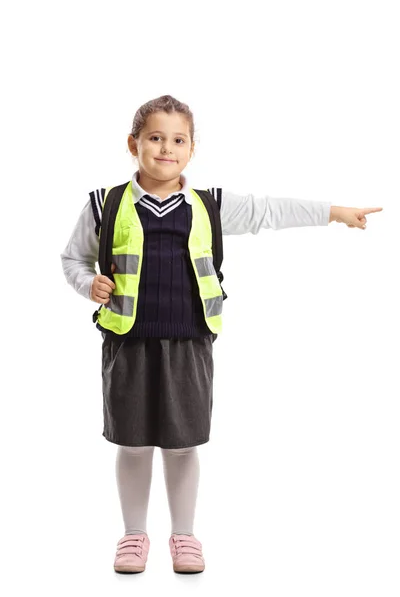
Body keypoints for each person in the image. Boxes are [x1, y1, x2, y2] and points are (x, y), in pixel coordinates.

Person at [60, 94, 383, 575]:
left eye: (178, 139)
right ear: (133, 144)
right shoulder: (104, 205)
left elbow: (267, 211)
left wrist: (335, 211)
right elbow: (72, 260)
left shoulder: (208, 207)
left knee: (183, 443)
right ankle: (132, 535)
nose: (166, 148)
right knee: (131, 443)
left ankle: (184, 537)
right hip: (127, 343)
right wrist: (91, 285)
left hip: (190, 343)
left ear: (192, 150)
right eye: (154, 138)